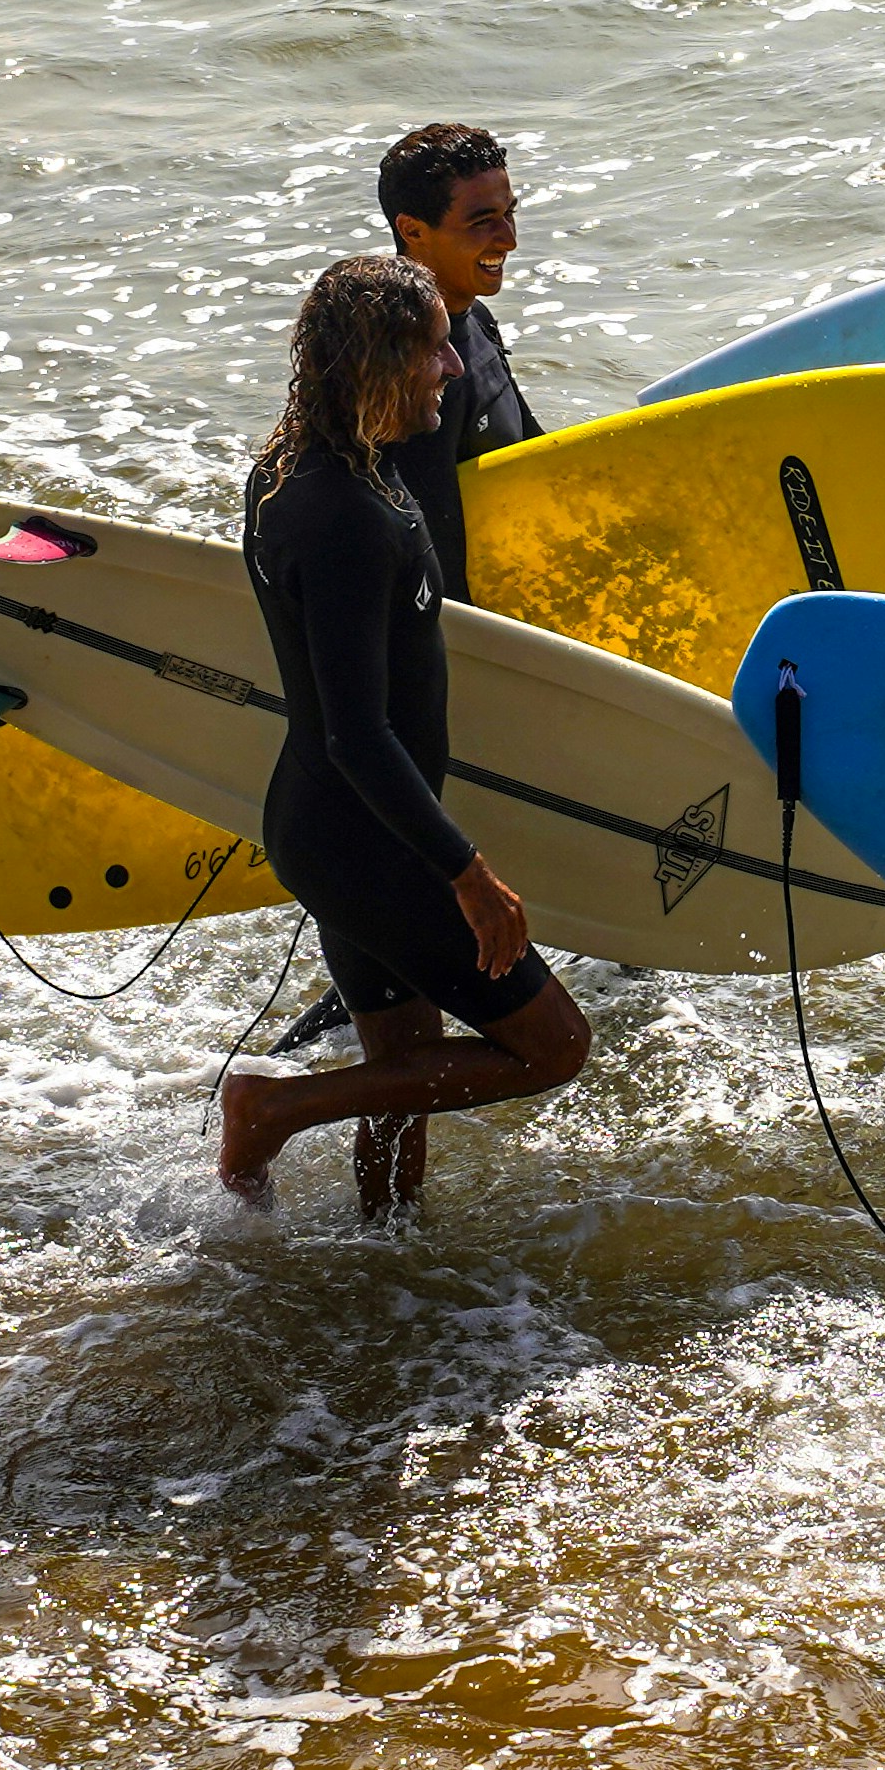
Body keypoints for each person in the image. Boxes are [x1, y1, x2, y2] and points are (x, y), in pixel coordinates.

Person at [217, 255, 590, 1214]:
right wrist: (467, 872)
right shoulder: (337, 513)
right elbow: (356, 731)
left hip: (338, 828)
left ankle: (386, 1255)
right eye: (433, 352)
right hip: (363, 841)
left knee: (406, 1066)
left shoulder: (327, 467)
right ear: (382, 361)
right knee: (554, 1046)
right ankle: (272, 1109)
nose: (453, 370)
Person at [375, 120, 544, 600]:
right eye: (481, 221)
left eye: (510, 213)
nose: (508, 239)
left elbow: (534, 454)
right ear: (412, 230)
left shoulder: (476, 318)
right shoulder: (406, 368)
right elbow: (425, 548)